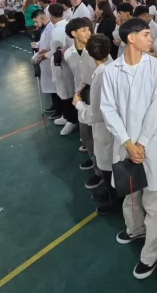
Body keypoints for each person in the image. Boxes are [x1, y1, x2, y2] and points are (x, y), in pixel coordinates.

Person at [100, 18, 157, 280]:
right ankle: (135, 229)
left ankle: (151, 254)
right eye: (146, 34)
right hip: (126, 145)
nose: (151, 39)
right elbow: (108, 109)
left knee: (154, 200)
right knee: (130, 194)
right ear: (131, 38)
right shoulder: (111, 71)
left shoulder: (156, 67)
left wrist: (140, 142)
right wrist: (127, 143)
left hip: (151, 144)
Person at [74, 34, 116, 216]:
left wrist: (78, 104)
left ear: (90, 55)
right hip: (113, 128)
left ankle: (113, 201)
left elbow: (96, 114)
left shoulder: (101, 75)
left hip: (105, 129)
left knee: (108, 166)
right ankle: (111, 192)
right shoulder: (113, 65)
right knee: (111, 165)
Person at [65, 17, 104, 186]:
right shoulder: (69, 54)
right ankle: (94, 159)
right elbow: (75, 76)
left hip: (97, 93)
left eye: (89, 29)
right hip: (80, 95)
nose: (88, 32)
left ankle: (101, 172)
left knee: (99, 135)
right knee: (86, 134)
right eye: (84, 30)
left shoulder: (97, 48)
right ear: (73, 33)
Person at [48, 3, 77, 135]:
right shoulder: (64, 25)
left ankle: (72, 120)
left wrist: (44, 55)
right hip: (63, 63)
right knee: (64, 92)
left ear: (50, 15)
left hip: (63, 64)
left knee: (67, 93)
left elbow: (57, 50)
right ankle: (66, 116)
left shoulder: (58, 29)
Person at [32, 9, 58, 116]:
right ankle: (55, 106)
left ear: (42, 19)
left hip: (50, 61)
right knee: (51, 88)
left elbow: (50, 47)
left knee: (55, 88)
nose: (35, 24)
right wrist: (37, 44)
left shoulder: (51, 29)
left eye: (36, 21)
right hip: (45, 61)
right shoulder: (45, 28)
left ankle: (59, 110)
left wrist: (41, 55)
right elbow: (44, 42)